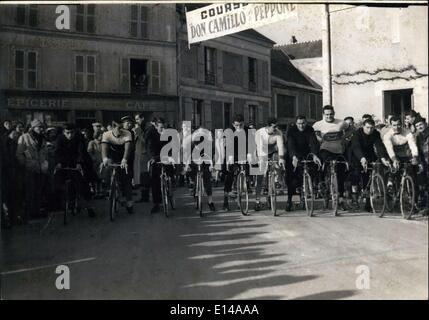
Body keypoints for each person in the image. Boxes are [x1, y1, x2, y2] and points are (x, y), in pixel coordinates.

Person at [54, 123, 96, 217]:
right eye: (67, 133)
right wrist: (59, 162)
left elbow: (81, 152)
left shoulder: (79, 138)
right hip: (65, 162)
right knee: (58, 180)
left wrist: (79, 163)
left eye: (72, 133)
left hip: (79, 162)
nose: (70, 135)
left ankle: (89, 206)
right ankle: (67, 202)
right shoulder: (60, 139)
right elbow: (57, 152)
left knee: (83, 182)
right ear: (64, 132)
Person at [349, 118, 390, 211]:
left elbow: (379, 146)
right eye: (367, 127)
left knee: (368, 177)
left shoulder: (375, 133)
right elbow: (356, 147)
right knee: (356, 174)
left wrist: (383, 158)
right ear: (363, 126)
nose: (369, 130)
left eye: (372, 128)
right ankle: (354, 197)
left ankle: (368, 203)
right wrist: (362, 158)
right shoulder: (357, 133)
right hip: (356, 155)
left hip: (369, 155)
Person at [313, 105, 349, 209]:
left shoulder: (341, 123)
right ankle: (326, 196)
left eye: (331, 114)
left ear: (334, 113)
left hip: (339, 151)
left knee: (340, 175)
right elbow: (312, 134)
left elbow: (351, 129)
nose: (329, 116)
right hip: (325, 150)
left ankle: (341, 198)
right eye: (327, 114)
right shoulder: (318, 124)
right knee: (327, 173)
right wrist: (319, 139)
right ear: (323, 115)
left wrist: (343, 138)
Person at [16, 119, 49, 222]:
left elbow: (45, 153)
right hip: (29, 169)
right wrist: (26, 164)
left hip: (40, 169)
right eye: (39, 127)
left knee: (38, 191)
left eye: (42, 127)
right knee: (30, 191)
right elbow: (19, 154)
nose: (41, 129)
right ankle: (30, 212)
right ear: (33, 128)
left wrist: (45, 163)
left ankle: (36, 211)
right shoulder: (24, 137)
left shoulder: (42, 139)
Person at [286, 115, 321, 211]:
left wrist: (314, 155)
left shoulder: (310, 129)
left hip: (306, 153)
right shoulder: (291, 130)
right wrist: (294, 157)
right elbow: (290, 145)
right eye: (299, 124)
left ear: (306, 123)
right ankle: (290, 200)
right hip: (293, 154)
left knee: (313, 168)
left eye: (303, 123)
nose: (301, 126)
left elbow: (313, 143)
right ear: (296, 123)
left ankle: (306, 193)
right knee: (292, 177)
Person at [101, 120, 134, 214]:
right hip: (112, 155)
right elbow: (104, 148)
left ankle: (129, 202)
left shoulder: (127, 133)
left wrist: (124, 160)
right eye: (118, 128)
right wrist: (104, 159)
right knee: (107, 168)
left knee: (126, 178)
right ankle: (109, 189)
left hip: (124, 155)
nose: (121, 130)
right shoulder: (106, 134)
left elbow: (128, 148)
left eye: (122, 127)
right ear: (112, 128)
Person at [254, 117, 286, 211]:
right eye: (274, 126)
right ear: (268, 126)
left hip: (272, 151)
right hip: (260, 151)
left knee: (278, 160)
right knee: (260, 177)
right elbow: (259, 148)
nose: (276, 128)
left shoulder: (278, 133)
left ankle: (276, 179)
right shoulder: (260, 132)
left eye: (277, 126)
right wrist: (262, 162)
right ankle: (257, 201)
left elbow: (280, 147)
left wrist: (281, 159)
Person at [383, 116, 420, 191]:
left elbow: (413, 145)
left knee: (414, 169)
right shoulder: (387, 135)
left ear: (401, 124)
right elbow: (389, 149)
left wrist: (415, 156)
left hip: (405, 153)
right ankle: (390, 184)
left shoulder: (407, 132)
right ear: (390, 125)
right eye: (394, 125)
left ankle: (415, 193)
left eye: (398, 124)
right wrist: (394, 159)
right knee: (394, 168)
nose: (396, 127)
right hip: (394, 154)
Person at [222, 114, 250, 211]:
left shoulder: (248, 131)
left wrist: (250, 154)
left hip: (243, 153)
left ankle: (242, 192)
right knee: (229, 176)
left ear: (244, 123)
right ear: (233, 125)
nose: (239, 127)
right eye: (236, 125)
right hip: (231, 153)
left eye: (241, 125)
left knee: (248, 170)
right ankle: (225, 201)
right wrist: (229, 157)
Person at [147, 118, 175, 213]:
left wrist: (172, 156)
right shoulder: (151, 133)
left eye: (164, 127)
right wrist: (153, 158)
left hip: (166, 156)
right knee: (154, 179)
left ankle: (170, 186)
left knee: (171, 171)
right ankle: (156, 204)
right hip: (155, 156)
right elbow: (149, 147)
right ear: (155, 126)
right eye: (161, 127)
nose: (163, 130)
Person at [186, 125, 216, 212]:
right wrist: (187, 165)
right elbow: (188, 157)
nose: (197, 146)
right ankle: (193, 184)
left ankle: (210, 202)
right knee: (191, 172)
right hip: (194, 159)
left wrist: (211, 166)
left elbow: (210, 157)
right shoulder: (191, 145)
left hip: (205, 159)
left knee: (207, 179)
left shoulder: (207, 145)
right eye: (196, 144)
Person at [415, 116, 428, 214]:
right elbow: (418, 151)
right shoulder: (418, 136)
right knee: (425, 184)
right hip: (425, 163)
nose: (419, 127)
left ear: (425, 124)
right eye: (417, 126)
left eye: (421, 124)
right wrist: (420, 163)